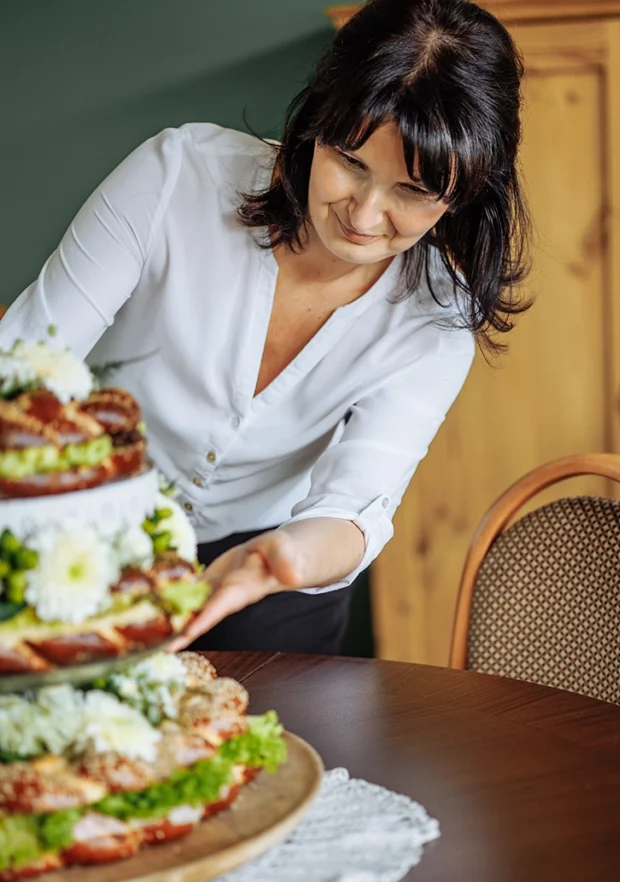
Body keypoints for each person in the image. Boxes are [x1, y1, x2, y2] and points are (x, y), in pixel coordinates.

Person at [0, 0, 531, 655]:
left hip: (272, 576)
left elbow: (354, 507)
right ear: (317, 124)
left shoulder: (437, 319)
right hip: (81, 533)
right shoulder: (177, 178)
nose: (365, 214)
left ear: (464, 194)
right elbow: (24, 362)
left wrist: (278, 561)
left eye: (412, 191)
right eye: (350, 162)